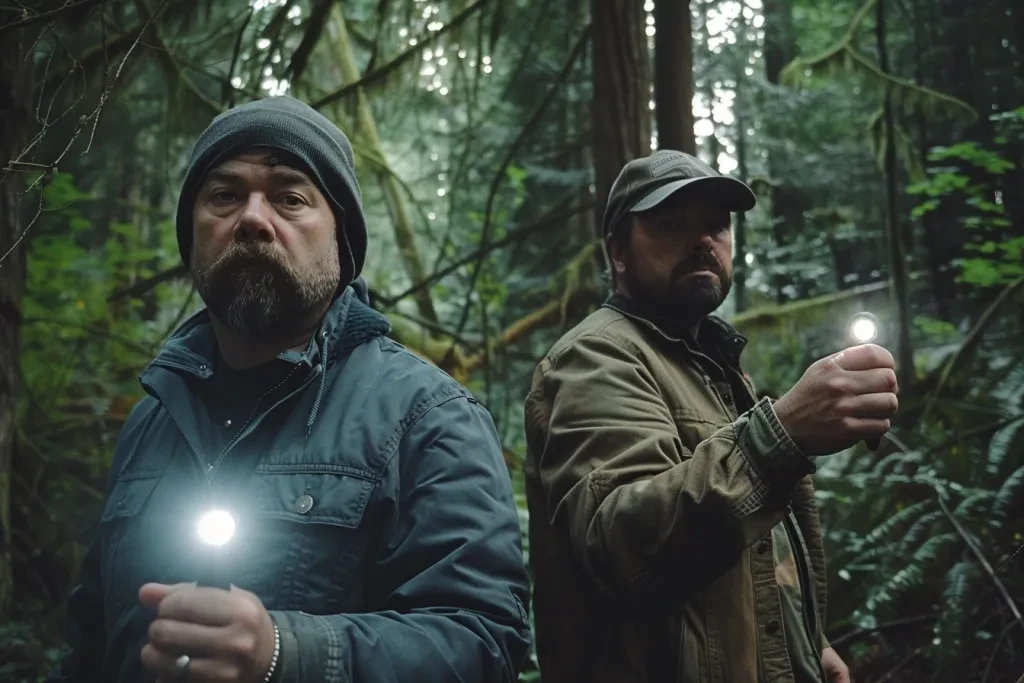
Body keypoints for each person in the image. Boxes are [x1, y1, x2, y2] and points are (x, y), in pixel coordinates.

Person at [47, 96, 531, 683]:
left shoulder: (429, 417)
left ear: (341, 241)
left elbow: (485, 645)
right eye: (224, 195)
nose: (252, 218)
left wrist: (286, 653)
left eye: (290, 197)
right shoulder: (151, 419)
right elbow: (90, 638)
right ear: (192, 236)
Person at [524, 150, 899, 682]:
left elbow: (745, 557)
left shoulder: (713, 364)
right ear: (618, 253)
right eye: (670, 225)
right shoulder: (596, 357)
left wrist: (807, 645)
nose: (702, 240)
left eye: (715, 225)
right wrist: (781, 434)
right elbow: (622, 547)